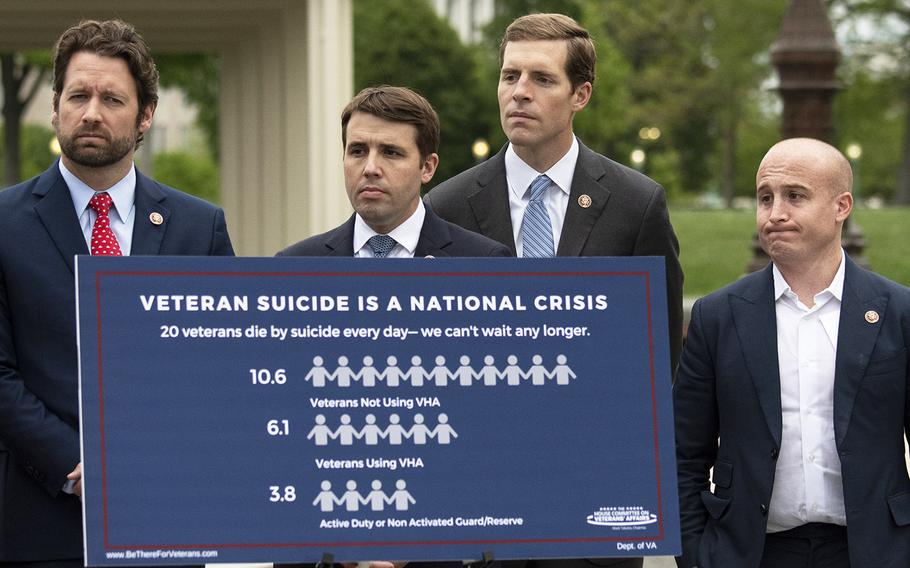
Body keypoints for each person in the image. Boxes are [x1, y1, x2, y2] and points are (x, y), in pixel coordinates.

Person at [0, 19, 234, 566]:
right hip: (40, 521)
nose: (91, 113)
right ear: (56, 105)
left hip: (169, 514)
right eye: (78, 95)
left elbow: (222, 366)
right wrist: (80, 465)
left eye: (112, 98)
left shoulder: (200, 228)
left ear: (146, 113)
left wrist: (151, 461)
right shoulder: (4, 223)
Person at [674, 138, 910, 567]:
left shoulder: (898, 313)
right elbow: (683, 455)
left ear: (842, 206)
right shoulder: (718, 317)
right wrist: (696, 556)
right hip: (750, 553)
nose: (775, 213)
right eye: (765, 198)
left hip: (874, 552)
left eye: (795, 196)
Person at [424, 13, 683, 381]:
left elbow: (661, 353)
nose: (520, 92)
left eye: (542, 79)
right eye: (510, 76)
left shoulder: (637, 205)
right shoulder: (446, 207)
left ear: (580, 94)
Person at [278, 86, 510, 259]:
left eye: (391, 153)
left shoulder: (481, 261)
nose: (370, 169)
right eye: (358, 151)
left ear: (427, 167)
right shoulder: (296, 266)